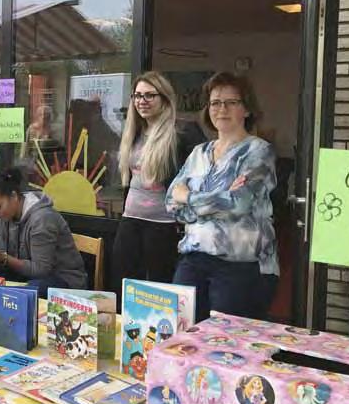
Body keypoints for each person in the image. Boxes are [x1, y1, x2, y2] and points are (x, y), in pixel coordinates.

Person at [166, 72, 278, 322]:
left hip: (241, 267)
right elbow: (171, 204)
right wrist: (219, 197)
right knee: (182, 335)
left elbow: (240, 203)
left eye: (231, 102)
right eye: (215, 102)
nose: (221, 109)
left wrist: (190, 197)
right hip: (193, 260)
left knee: (227, 345)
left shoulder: (259, 151)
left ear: (246, 109)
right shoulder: (199, 152)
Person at [113, 71, 204, 291]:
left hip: (163, 224)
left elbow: (201, 174)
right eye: (137, 96)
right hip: (130, 219)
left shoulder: (182, 132)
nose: (141, 101)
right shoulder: (134, 131)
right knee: (122, 282)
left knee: (158, 287)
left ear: (164, 99)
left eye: (149, 95)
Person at [0, 167, 86, 296]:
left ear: (14, 196)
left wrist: (4, 259)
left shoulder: (42, 219)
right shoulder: (2, 215)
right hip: (25, 275)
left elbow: (41, 270)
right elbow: (2, 257)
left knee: (19, 295)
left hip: (62, 279)